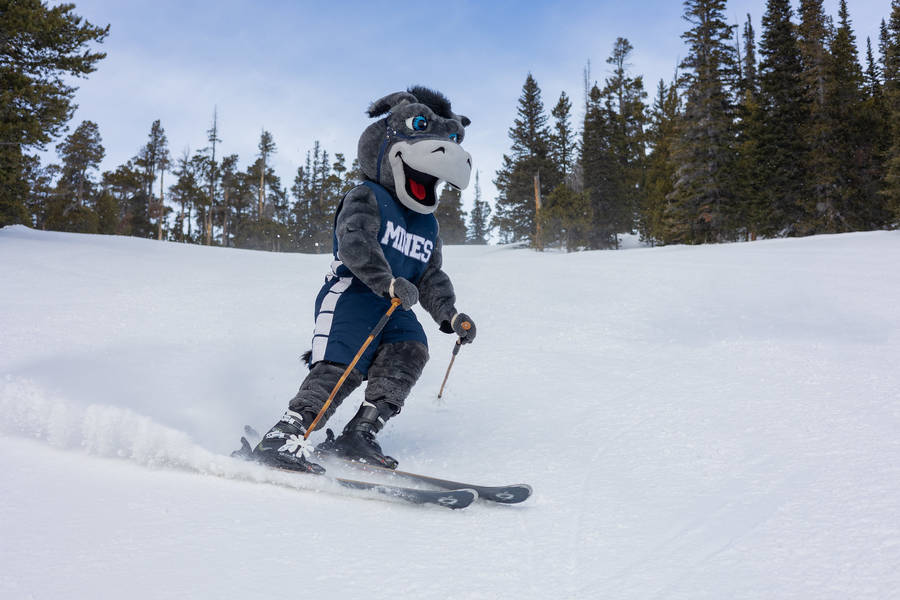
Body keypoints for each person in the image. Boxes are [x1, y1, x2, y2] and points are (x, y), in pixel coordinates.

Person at [253, 87, 477, 473]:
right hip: (353, 293)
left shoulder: (428, 224)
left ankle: (360, 432)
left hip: (396, 303)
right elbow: (355, 244)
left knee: (411, 348)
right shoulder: (367, 195)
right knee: (345, 364)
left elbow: (429, 274)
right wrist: (386, 282)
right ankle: (285, 434)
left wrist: (450, 315)